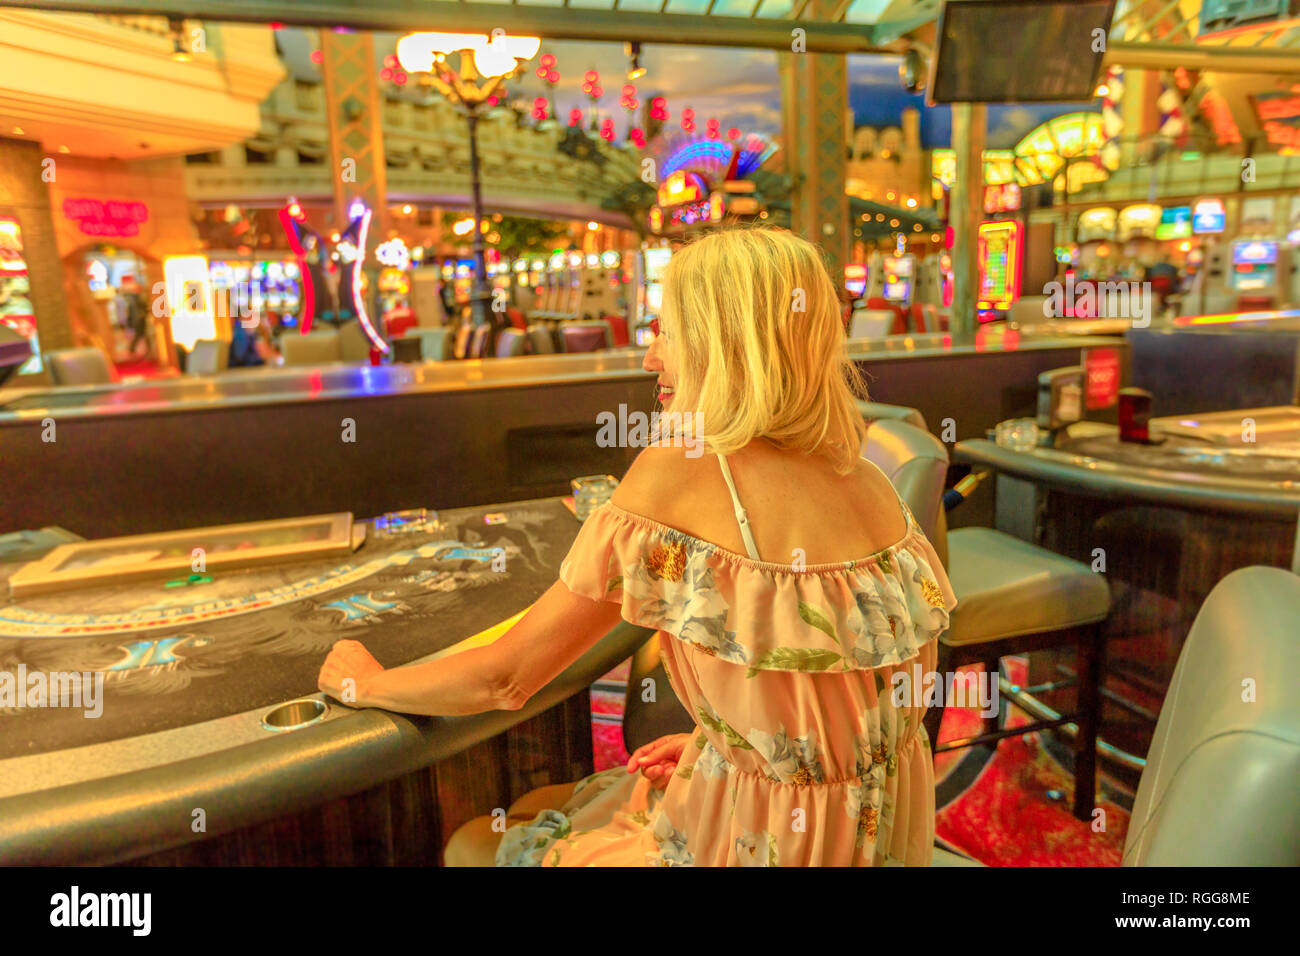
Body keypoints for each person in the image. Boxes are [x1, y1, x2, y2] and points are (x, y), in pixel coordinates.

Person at [317, 227, 957, 866]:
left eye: (667, 333)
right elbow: (861, 702)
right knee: (551, 798)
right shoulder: (868, 476)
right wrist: (737, 744)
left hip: (761, 847)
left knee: (471, 843)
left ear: (724, 344)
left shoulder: (687, 468)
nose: (651, 357)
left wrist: (364, 683)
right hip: (877, 836)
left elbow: (506, 679)